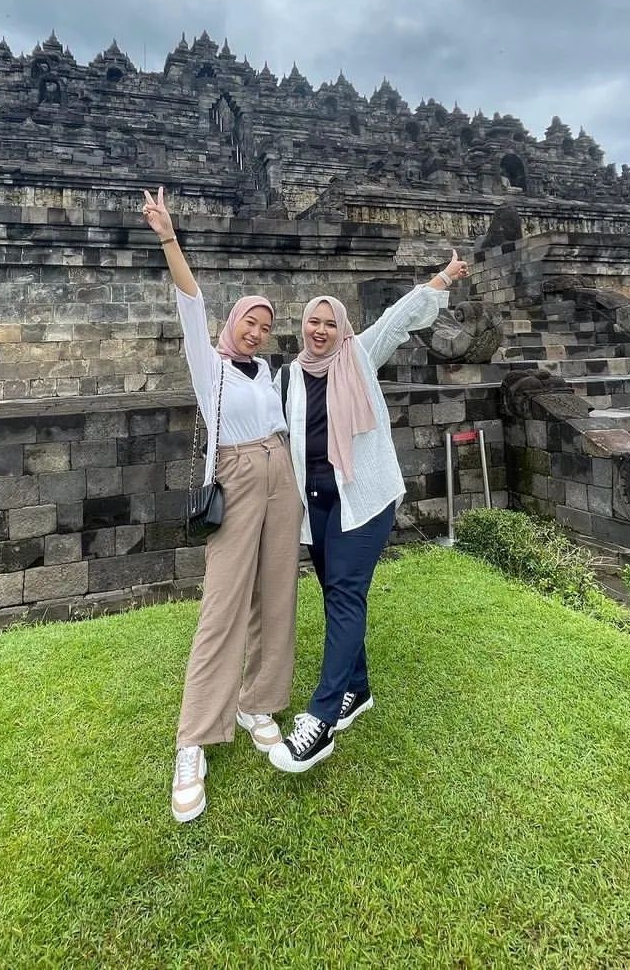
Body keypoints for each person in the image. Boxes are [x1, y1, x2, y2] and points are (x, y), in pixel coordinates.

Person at [268, 252, 471, 773]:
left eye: (329, 322)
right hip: (316, 503)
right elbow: (265, 428)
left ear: (342, 328)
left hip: (365, 498)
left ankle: (322, 719)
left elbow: (398, 318)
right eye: (313, 321)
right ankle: (356, 691)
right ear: (302, 326)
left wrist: (442, 279)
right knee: (336, 594)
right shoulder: (289, 377)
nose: (320, 330)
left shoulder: (358, 357)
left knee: (346, 595)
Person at [141, 187, 303, 823]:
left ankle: (257, 700)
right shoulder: (208, 364)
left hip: (279, 470)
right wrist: (167, 235)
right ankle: (193, 739)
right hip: (234, 474)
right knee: (223, 605)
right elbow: (190, 300)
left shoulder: (269, 374)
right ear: (230, 324)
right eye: (249, 323)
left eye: (265, 327)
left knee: (277, 593)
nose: (257, 332)